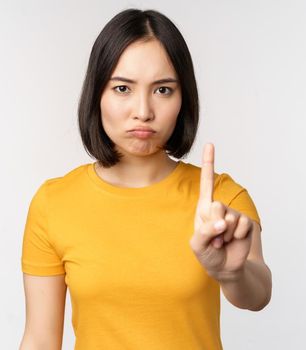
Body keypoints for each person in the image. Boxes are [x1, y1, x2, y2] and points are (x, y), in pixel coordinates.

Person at [19, 8, 272, 349]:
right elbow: (39, 339)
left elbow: (258, 295)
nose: (143, 110)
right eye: (122, 88)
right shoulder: (54, 203)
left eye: (163, 90)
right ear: (97, 94)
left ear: (184, 98)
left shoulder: (221, 199)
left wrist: (232, 273)